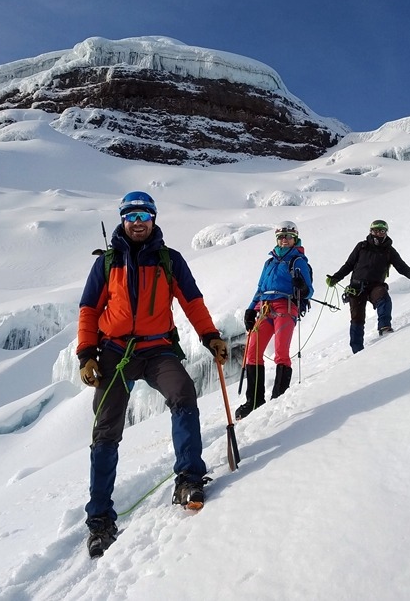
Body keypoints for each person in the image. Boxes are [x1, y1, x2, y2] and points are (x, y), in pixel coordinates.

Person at [77, 190, 228, 557]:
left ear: (155, 219)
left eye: (144, 214)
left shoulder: (169, 261)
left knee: (183, 395)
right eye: (131, 215)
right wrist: (86, 354)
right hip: (115, 352)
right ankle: (99, 521)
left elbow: (192, 302)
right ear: (122, 220)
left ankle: (189, 479)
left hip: (158, 347)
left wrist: (210, 336)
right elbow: (89, 309)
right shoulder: (107, 263)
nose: (138, 221)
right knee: (106, 431)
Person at [236, 220, 313, 420]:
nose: (284, 240)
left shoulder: (299, 261)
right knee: (252, 352)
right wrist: (250, 309)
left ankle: (278, 397)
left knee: (281, 352)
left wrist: (302, 287)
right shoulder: (269, 262)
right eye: (280, 237)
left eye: (288, 237)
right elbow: (260, 288)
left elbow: (309, 291)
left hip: (286, 307)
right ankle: (254, 401)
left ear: (295, 239)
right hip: (265, 307)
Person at [326, 219, 410, 354]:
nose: (378, 234)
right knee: (357, 319)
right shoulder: (361, 247)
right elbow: (349, 265)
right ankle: (357, 352)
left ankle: (384, 327)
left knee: (384, 299)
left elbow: (402, 267)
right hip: (356, 287)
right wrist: (335, 278)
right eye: (375, 231)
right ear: (370, 231)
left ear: (386, 233)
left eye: (381, 231)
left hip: (376, 286)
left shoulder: (389, 251)